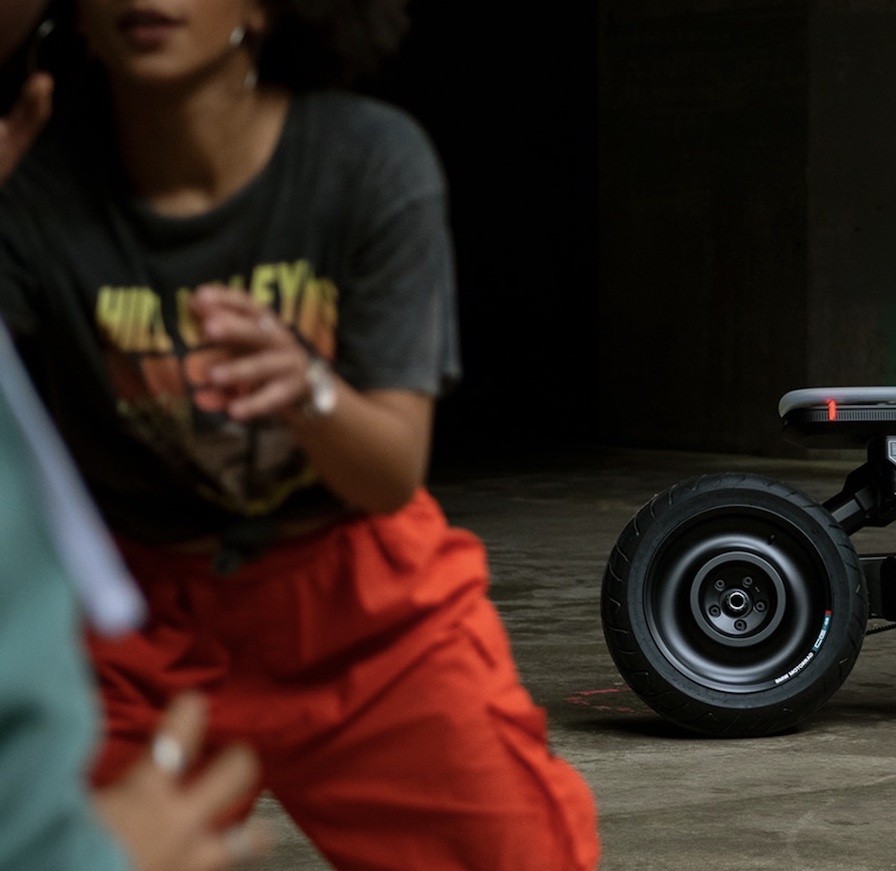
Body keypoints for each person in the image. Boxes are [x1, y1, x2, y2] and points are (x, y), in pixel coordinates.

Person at [0, 1, 599, 867]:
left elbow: (391, 472)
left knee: (521, 849)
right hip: (138, 622)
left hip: (356, 602)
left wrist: (309, 388)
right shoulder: (39, 183)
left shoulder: (366, 160)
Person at [5, 2, 267, 868]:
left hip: (327, 574)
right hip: (138, 583)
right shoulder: (45, 206)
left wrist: (314, 393)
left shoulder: (355, 159)